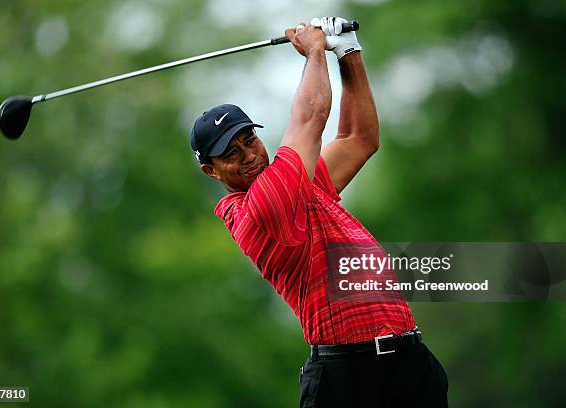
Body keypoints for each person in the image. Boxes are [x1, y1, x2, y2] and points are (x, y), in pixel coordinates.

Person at [190, 17, 448, 407]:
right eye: (231, 154)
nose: (250, 156)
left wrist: (348, 51)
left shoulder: (301, 184)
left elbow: (359, 139)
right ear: (211, 171)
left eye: (250, 139)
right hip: (348, 378)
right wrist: (314, 50)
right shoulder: (259, 208)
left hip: (408, 362)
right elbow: (311, 118)